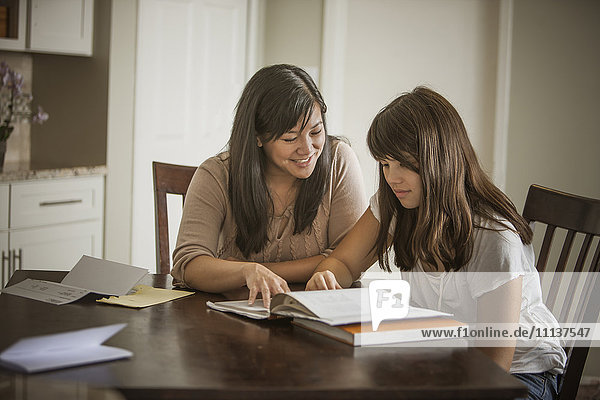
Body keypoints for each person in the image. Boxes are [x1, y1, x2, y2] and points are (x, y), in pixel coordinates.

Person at [306, 87, 566, 400]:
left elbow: (492, 367)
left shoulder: (494, 238)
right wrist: (329, 274)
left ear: (438, 156)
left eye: (403, 163)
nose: (392, 178)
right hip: (448, 359)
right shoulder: (396, 206)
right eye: (385, 165)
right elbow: (344, 263)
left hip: (521, 374)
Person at [172, 64, 367, 307]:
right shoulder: (217, 174)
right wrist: (247, 272)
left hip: (315, 316)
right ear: (258, 137)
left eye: (316, 131)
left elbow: (349, 259)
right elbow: (189, 264)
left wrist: (257, 269)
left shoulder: (339, 161)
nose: (307, 149)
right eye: (290, 138)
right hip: (231, 319)